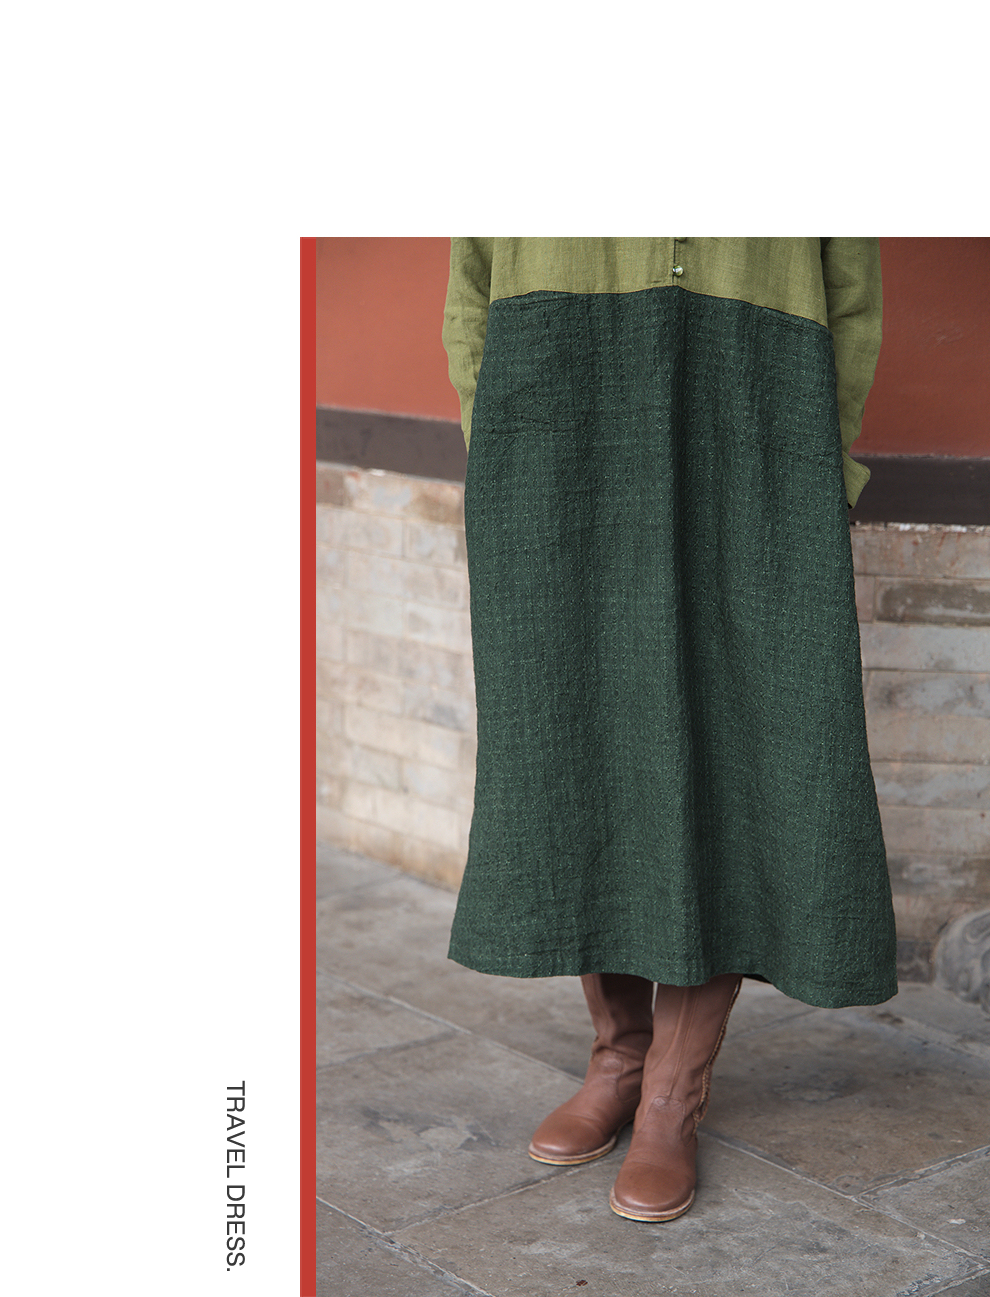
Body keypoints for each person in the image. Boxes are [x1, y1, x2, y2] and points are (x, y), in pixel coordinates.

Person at [441, 238, 896, 1222]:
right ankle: (620, 1053)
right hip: (557, 436)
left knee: (743, 743)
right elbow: (471, 283)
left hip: (755, 431)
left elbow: (851, 299)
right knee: (573, 741)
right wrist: (501, 440)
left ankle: (671, 1091)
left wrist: (817, 461)